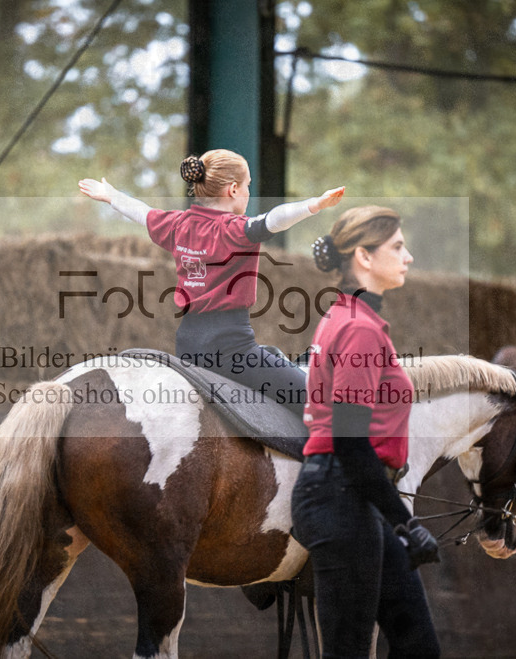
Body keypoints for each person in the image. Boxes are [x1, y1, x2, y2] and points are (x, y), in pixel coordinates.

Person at [79, 150, 344, 415]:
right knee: (318, 399)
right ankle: (321, 458)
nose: (249, 192)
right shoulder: (236, 230)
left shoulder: (177, 225)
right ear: (232, 190)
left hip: (188, 347)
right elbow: (275, 219)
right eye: (248, 185)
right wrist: (315, 205)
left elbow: (142, 213)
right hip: (231, 349)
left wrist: (112, 196)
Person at [290, 206, 441, 657]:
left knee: (418, 645)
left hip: (352, 496)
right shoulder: (358, 329)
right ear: (364, 256)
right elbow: (351, 443)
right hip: (341, 495)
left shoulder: (350, 318)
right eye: (397, 246)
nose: (408, 256)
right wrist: (406, 521)